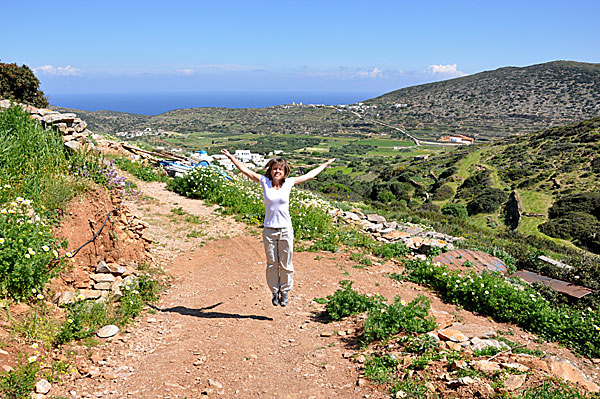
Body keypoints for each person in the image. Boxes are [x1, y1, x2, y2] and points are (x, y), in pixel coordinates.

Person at [221, 149, 335, 307]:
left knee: (286, 263)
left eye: (280, 169)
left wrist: (326, 164)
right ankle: (275, 291)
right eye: (275, 168)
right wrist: (230, 157)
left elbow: (309, 175)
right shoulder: (264, 182)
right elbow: (245, 170)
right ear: (270, 170)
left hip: (285, 230)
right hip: (269, 230)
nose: (277, 171)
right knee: (272, 263)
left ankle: (285, 291)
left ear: (285, 171)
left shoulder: (288, 183)